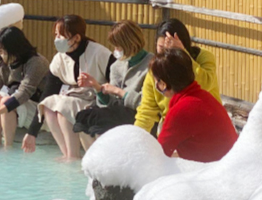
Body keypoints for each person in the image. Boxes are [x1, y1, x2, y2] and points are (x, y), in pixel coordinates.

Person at [22, 15, 113, 160]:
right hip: (74, 98)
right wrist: (32, 132)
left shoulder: (99, 53)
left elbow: (115, 81)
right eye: (56, 35)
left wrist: (97, 86)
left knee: (63, 107)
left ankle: (73, 156)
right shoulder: (59, 59)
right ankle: (67, 154)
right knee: (48, 105)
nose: (57, 39)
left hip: (96, 100)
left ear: (76, 38)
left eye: (61, 35)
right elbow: (47, 93)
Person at [74, 20, 153, 150]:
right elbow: (111, 103)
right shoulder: (117, 66)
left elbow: (145, 104)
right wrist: (98, 88)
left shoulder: (151, 64)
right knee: (85, 117)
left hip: (140, 116)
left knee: (99, 119)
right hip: (120, 112)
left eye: (118, 47)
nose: (116, 51)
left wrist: (119, 91)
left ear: (129, 44)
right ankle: (93, 160)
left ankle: (103, 160)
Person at [134, 18, 221, 134]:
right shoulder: (155, 70)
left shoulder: (203, 57)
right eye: (161, 48)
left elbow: (205, 83)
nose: (166, 54)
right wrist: (135, 137)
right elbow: (146, 110)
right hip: (174, 128)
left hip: (206, 125)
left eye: (171, 49)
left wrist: (182, 55)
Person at [150, 49, 237, 162]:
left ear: (163, 84)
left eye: (156, 81)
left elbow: (159, 154)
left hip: (214, 173)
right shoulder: (204, 96)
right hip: (229, 164)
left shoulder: (180, 111)